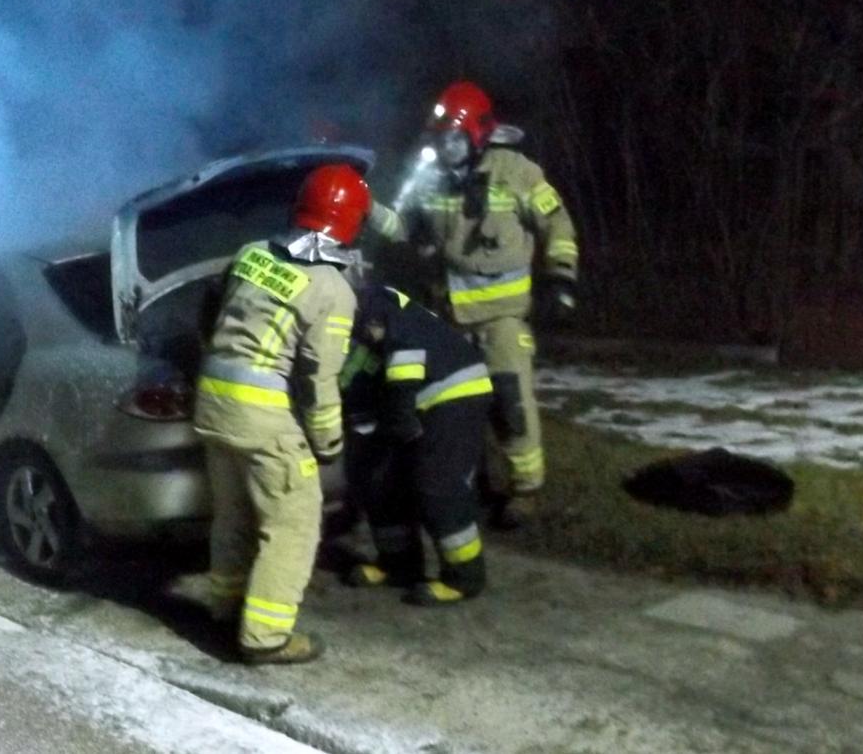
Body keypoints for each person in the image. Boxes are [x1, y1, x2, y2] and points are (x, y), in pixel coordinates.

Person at [368, 81, 578, 528]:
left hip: (502, 320)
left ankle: (526, 489)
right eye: (440, 139)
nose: (446, 149)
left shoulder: (516, 172)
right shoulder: (434, 178)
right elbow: (404, 227)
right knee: (452, 410)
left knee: (510, 402)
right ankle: (469, 483)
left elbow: (557, 224)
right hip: (449, 322)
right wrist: (365, 208)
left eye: (455, 139)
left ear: (478, 134)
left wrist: (561, 278)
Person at [194, 164, 366, 665]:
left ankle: (224, 607)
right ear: (349, 224)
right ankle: (265, 637)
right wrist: (328, 443)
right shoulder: (332, 290)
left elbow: (212, 310)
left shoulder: (252, 253)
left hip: (212, 401)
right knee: (293, 521)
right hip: (261, 413)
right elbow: (319, 380)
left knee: (232, 516)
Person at [337, 284, 494, 605]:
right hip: (412, 400)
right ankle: (398, 565)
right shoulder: (356, 314)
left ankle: (465, 577)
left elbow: (402, 368)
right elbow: (358, 379)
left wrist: (400, 424)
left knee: (437, 484)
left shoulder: (376, 307)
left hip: (454, 394)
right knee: (379, 480)